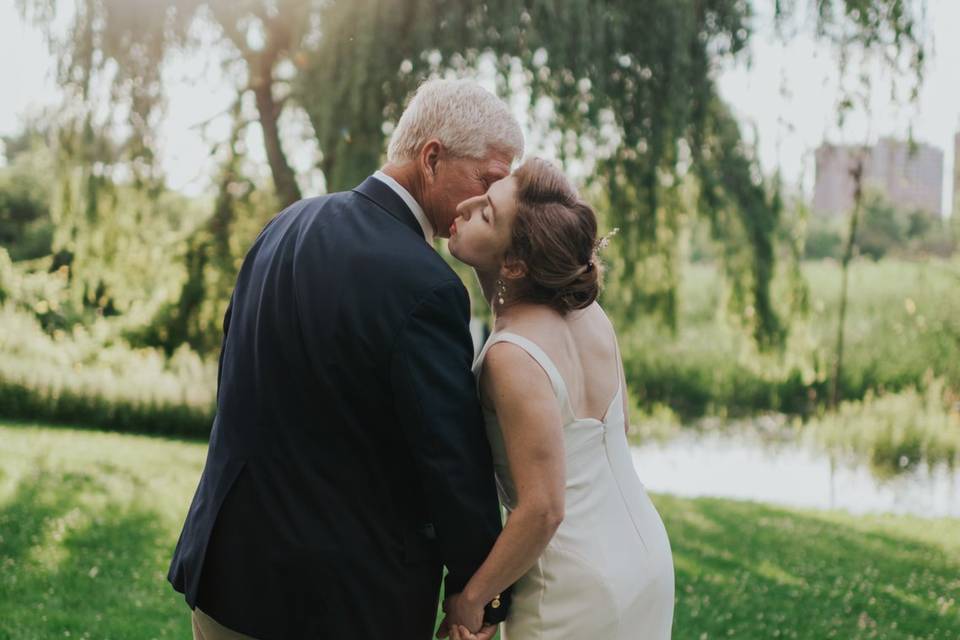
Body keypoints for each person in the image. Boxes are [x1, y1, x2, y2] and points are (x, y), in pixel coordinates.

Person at [167, 79, 523, 639]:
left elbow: (238, 375)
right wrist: (478, 591)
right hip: (337, 603)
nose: (489, 202)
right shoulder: (427, 285)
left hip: (225, 577)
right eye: (488, 180)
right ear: (432, 158)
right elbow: (449, 460)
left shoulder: (283, 226)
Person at [439, 158, 676, 640]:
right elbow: (618, 430)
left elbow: (544, 508)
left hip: (573, 584)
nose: (464, 207)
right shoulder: (592, 316)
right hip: (646, 557)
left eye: (486, 212)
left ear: (515, 264)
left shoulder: (511, 356)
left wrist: (471, 599)